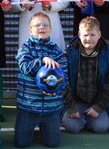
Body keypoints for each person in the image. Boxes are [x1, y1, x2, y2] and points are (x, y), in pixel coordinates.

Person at [14, 12, 68, 148]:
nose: (41, 27)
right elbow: (25, 67)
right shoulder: (24, 49)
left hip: (51, 107)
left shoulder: (57, 51)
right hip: (28, 106)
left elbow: (64, 75)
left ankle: (46, 128)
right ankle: (29, 129)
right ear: (30, 30)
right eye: (37, 25)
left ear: (50, 29)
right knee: (21, 143)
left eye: (45, 25)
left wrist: (55, 89)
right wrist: (42, 61)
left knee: (53, 143)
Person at [62, 16, 109, 134]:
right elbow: (63, 81)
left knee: (101, 128)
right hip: (76, 101)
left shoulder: (107, 53)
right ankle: (84, 118)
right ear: (79, 34)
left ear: (99, 34)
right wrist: (71, 107)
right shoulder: (69, 52)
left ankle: (91, 118)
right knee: (71, 127)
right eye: (85, 35)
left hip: (97, 101)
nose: (89, 38)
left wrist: (98, 107)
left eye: (92, 35)